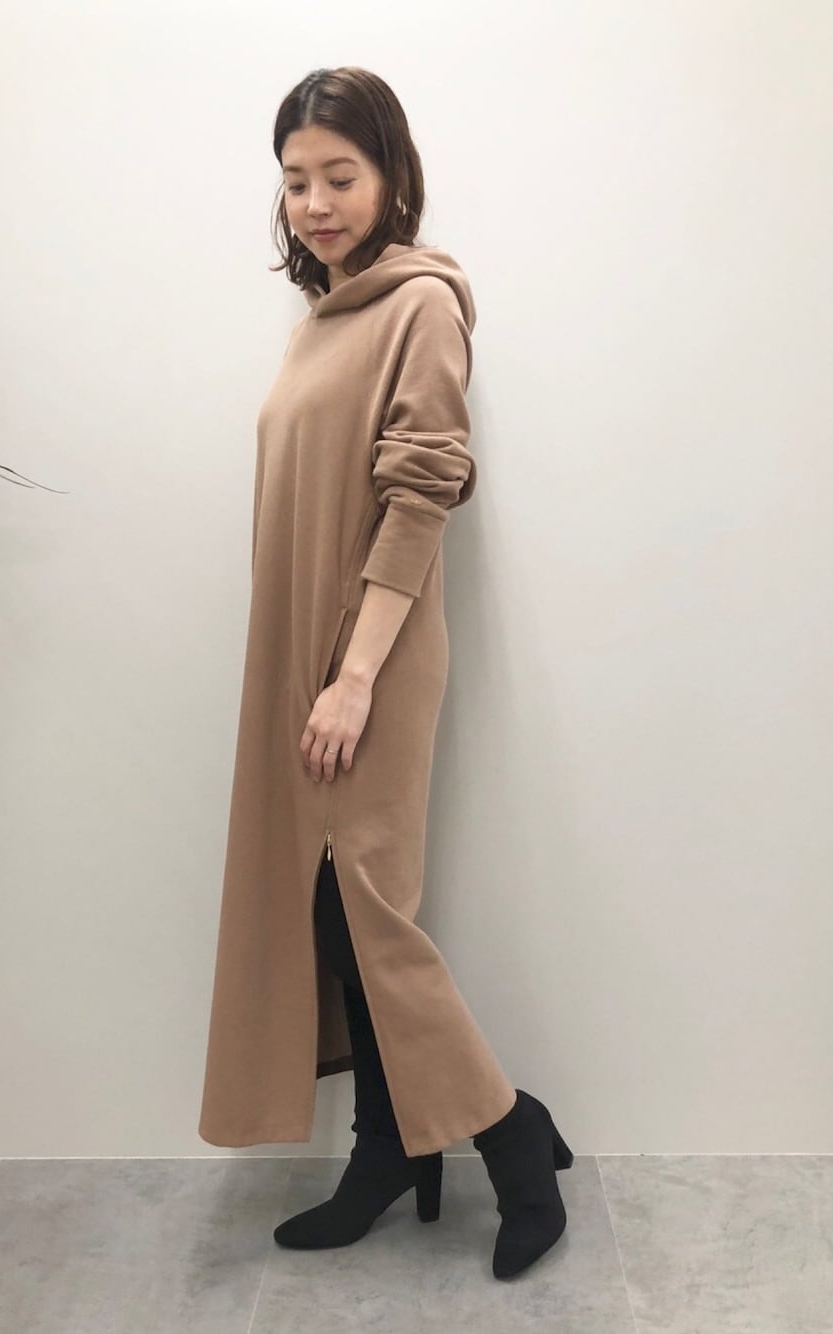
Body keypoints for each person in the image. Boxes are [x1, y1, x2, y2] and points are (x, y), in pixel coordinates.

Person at [197, 66, 574, 1280]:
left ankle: (512, 1134)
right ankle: (385, 1148)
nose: (313, 203)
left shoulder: (422, 305)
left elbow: (420, 497)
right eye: (294, 180)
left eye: (339, 177)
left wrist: (354, 675)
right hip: (299, 658)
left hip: (372, 658)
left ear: (391, 176)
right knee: (332, 911)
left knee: (368, 909)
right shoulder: (320, 318)